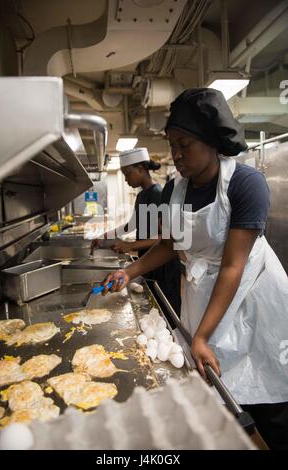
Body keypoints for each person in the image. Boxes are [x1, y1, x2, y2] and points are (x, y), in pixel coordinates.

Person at [101, 89, 288, 450]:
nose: (176, 154)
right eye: (172, 144)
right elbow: (170, 246)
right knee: (222, 389)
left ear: (210, 141)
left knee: (269, 392)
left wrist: (200, 336)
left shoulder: (247, 185)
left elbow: (233, 266)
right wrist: (131, 271)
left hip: (254, 297)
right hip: (208, 296)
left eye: (184, 143)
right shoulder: (175, 189)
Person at [92, 147, 181, 315]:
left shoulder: (158, 194)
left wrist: (132, 245)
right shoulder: (141, 196)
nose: (126, 179)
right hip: (147, 260)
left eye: (128, 174)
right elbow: (131, 224)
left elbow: (166, 238)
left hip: (162, 263)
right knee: (151, 306)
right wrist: (105, 236)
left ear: (141, 169)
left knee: (166, 309)